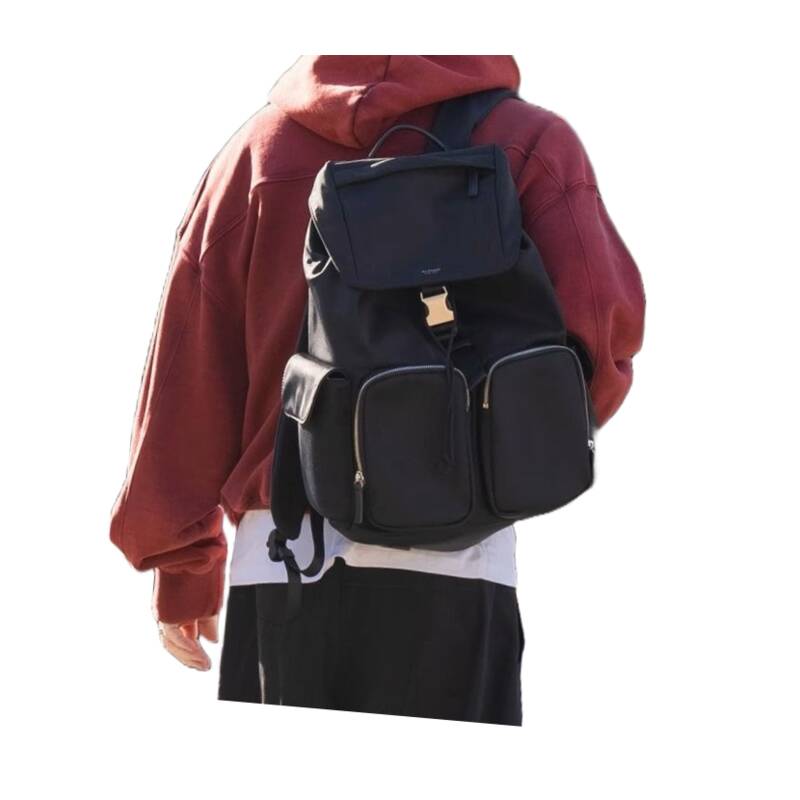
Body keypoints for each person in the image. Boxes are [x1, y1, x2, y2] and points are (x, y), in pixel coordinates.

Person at [110, 55, 645, 724]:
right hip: (461, 552)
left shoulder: (256, 154)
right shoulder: (529, 142)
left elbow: (189, 374)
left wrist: (182, 570)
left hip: (284, 555)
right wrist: (493, 454)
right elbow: (600, 337)